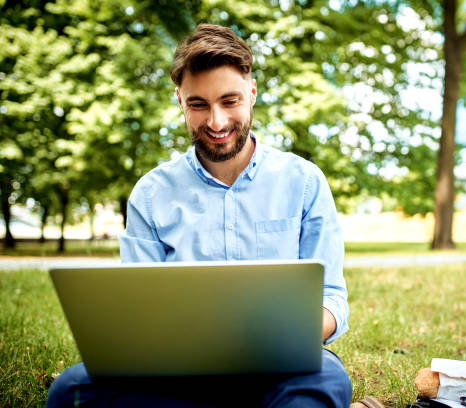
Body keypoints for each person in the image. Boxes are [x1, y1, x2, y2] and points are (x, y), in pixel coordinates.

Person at [46, 23, 352, 407]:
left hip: (283, 368)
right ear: (179, 100)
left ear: (252, 93)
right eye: (198, 105)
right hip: (175, 372)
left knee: (322, 384)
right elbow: (136, 311)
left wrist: (283, 339)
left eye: (230, 101)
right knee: (70, 393)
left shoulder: (304, 182)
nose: (216, 122)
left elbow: (332, 300)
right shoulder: (151, 194)